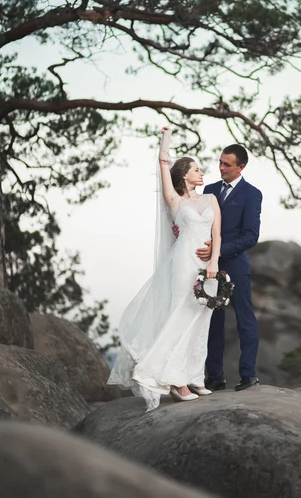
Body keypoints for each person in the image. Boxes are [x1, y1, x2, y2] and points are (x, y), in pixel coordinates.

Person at [108, 127, 221, 411]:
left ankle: (194, 376)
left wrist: (214, 262)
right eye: (196, 169)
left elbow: (217, 235)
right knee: (181, 316)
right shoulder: (175, 200)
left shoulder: (210, 199)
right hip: (182, 263)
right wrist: (166, 137)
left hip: (207, 265)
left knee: (201, 318)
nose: (201, 172)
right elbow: (162, 161)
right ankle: (174, 380)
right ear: (184, 175)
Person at [178, 145, 262, 391]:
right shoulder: (210, 190)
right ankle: (214, 376)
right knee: (212, 321)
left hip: (235, 264)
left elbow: (251, 236)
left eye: (227, 164)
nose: (221, 168)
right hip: (205, 265)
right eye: (220, 162)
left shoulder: (252, 194)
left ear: (241, 167)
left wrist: (219, 249)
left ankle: (248, 374)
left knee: (245, 318)